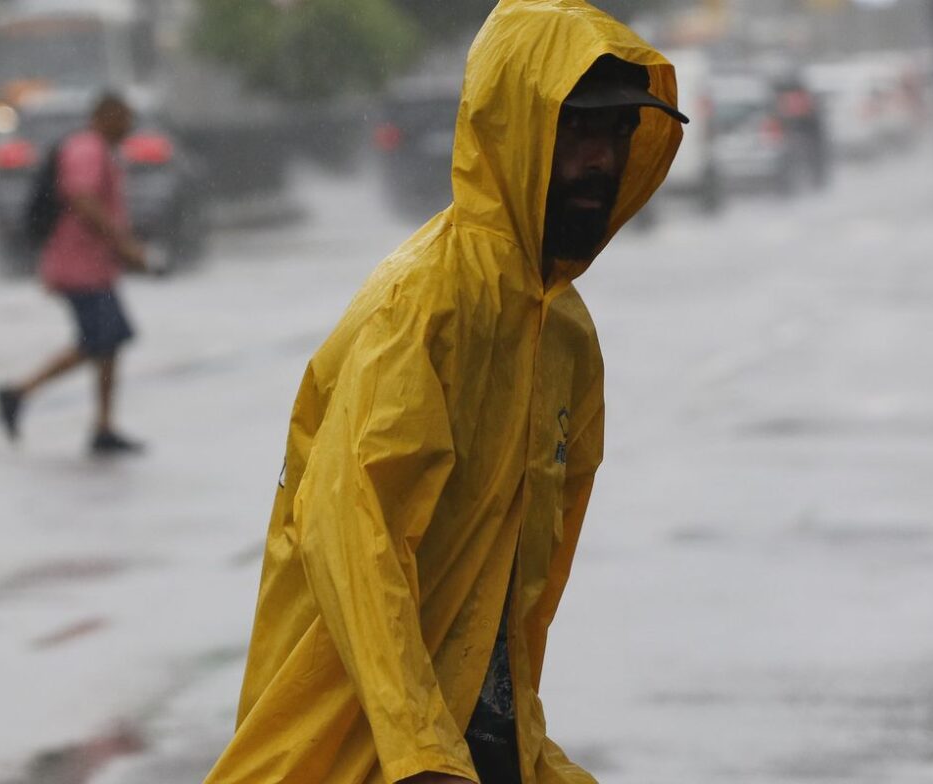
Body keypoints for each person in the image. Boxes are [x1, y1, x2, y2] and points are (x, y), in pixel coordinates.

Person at [204, 3, 688, 783]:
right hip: (356, 753)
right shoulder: (426, 304)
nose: (602, 160)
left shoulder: (564, 335)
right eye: (578, 131)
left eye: (620, 133)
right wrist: (420, 750)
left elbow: (514, 597)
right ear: (514, 129)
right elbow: (352, 533)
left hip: (472, 744)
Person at [0, 93, 148, 456]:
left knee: (109, 340)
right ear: (105, 116)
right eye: (124, 119)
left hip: (94, 267)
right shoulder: (87, 149)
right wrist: (123, 243)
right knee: (98, 340)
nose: (129, 128)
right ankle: (18, 392)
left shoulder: (97, 149)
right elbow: (82, 198)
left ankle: (103, 425)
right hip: (78, 268)